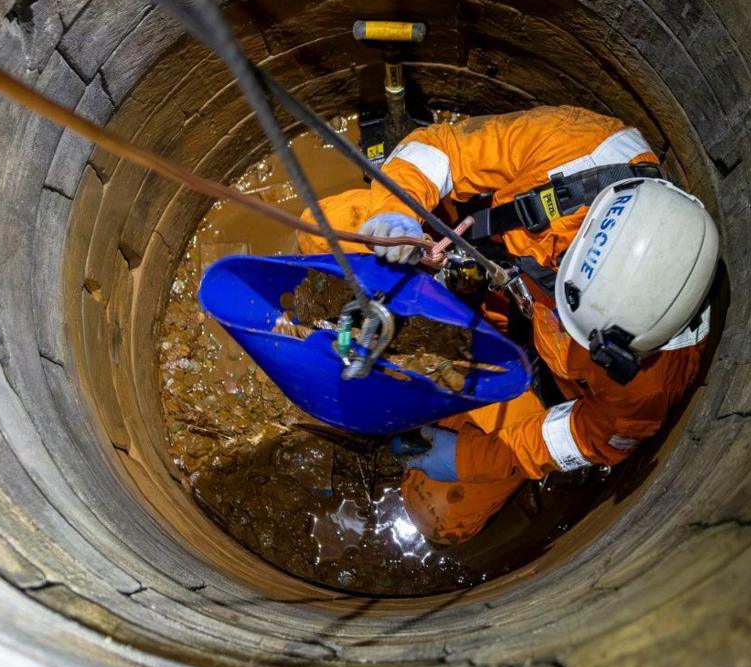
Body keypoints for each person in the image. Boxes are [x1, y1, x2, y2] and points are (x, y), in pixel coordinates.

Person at [303, 106, 722, 545]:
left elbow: (587, 437)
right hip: (476, 267)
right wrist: (397, 217)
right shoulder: (578, 146)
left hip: (527, 373)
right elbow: (440, 149)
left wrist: (469, 458)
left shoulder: (649, 380)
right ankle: (322, 328)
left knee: (441, 517)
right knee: (322, 229)